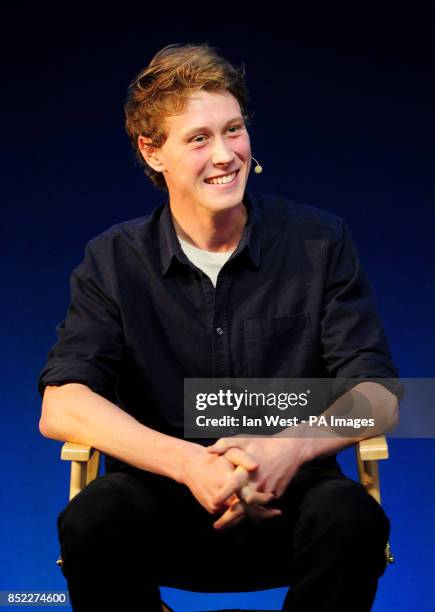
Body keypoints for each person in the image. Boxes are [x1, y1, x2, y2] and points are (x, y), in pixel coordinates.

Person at [38, 43, 402, 611]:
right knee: (92, 518)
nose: (225, 154)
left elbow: (382, 398)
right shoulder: (112, 259)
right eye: (198, 138)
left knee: (352, 515)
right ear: (152, 152)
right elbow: (61, 405)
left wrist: (285, 451)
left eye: (233, 130)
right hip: (162, 502)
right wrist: (190, 464)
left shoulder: (320, 242)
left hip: (289, 500)